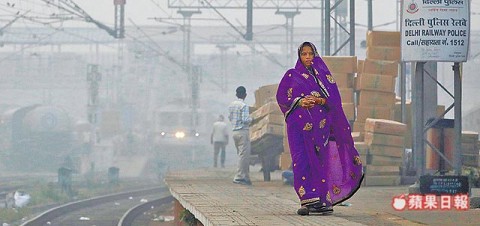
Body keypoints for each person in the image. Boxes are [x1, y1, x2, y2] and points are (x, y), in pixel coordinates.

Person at [276, 42, 364, 215]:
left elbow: (333, 101)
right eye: (304, 54)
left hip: (320, 129)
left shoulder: (324, 76)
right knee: (301, 160)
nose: (308, 57)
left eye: (310, 54)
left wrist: (318, 101)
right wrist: (300, 101)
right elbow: (282, 97)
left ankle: (322, 200)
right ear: (299, 56)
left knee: (319, 162)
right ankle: (308, 200)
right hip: (298, 128)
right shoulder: (291, 76)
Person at [228, 86, 253, 185]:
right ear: (245, 95)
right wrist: (253, 119)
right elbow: (245, 120)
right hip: (243, 132)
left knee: (241, 155)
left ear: (236, 94)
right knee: (244, 156)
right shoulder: (244, 106)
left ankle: (245, 176)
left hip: (234, 132)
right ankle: (239, 177)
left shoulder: (231, 105)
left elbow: (230, 118)